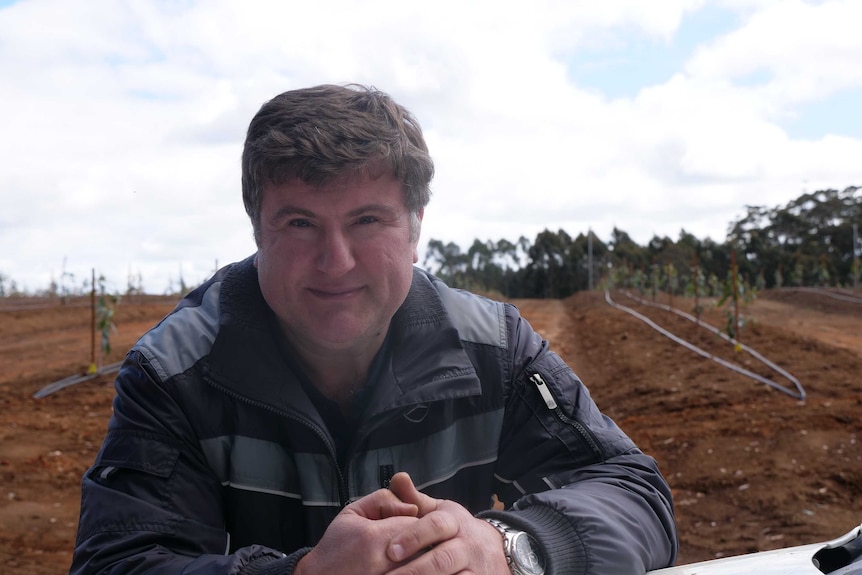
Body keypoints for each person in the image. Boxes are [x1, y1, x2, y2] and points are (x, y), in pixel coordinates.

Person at [70, 83, 678, 575]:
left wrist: (506, 549)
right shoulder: (175, 372)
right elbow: (116, 561)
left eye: (367, 220)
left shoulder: (493, 349)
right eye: (301, 223)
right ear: (257, 230)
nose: (336, 261)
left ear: (414, 230)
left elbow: (632, 493)